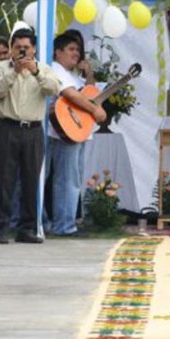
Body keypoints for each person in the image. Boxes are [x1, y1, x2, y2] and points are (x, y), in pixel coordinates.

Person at [0, 27, 60, 244]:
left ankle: (27, 228)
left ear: (33, 49)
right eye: (18, 47)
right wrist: (14, 72)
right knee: (3, 179)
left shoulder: (44, 69)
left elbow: (54, 89)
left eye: (26, 47)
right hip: (7, 127)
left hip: (33, 130)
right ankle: (2, 228)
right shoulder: (0, 68)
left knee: (31, 180)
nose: (22, 51)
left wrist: (35, 72)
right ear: (11, 48)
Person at [46, 31, 106, 236]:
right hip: (61, 132)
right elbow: (70, 95)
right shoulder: (55, 69)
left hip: (76, 131)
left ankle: (64, 223)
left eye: (78, 50)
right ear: (58, 52)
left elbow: (90, 94)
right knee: (66, 180)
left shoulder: (72, 75)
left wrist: (89, 74)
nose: (76, 53)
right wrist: (94, 110)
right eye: (71, 49)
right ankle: (64, 225)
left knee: (72, 179)